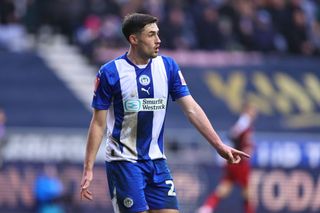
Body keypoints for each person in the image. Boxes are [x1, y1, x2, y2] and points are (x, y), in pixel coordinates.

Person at [80, 13, 250, 213]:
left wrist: (218, 145)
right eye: (151, 34)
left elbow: (191, 109)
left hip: (157, 162)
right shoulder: (110, 73)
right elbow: (98, 123)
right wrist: (88, 168)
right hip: (124, 163)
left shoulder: (168, 67)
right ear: (134, 39)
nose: (158, 40)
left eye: (158, 34)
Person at [197, 102, 258, 213]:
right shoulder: (244, 122)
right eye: (252, 110)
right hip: (240, 162)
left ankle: (207, 207)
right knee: (247, 191)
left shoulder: (244, 123)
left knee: (225, 187)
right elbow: (233, 135)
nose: (254, 113)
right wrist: (242, 148)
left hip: (235, 161)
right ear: (247, 111)